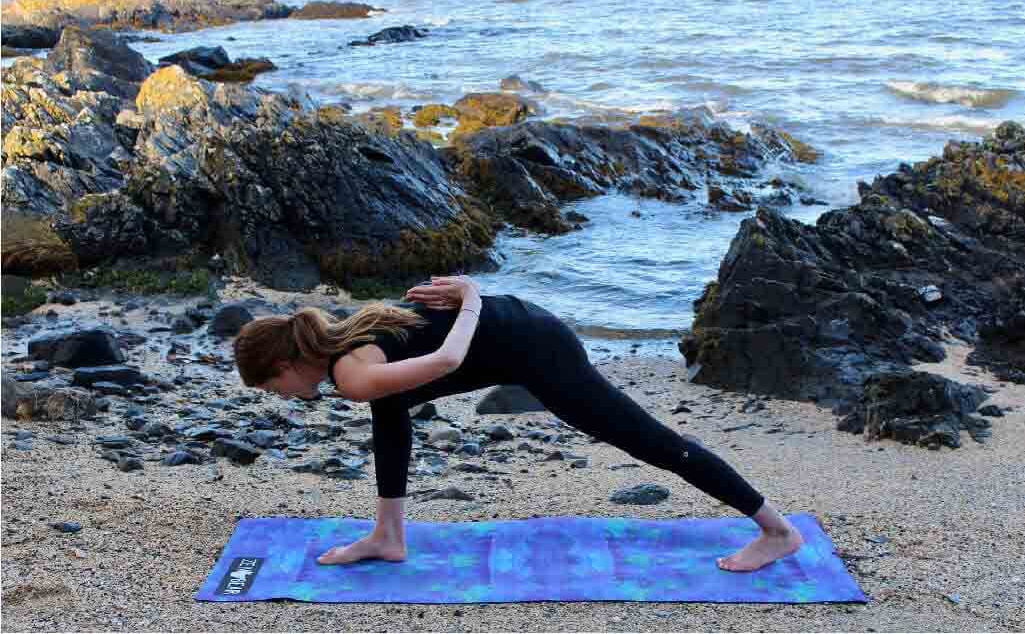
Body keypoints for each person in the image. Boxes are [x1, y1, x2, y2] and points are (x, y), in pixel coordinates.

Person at [232, 274, 804, 572]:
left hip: (539, 349)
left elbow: (449, 360)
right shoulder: (341, 338)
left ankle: (778, 531)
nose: (281, 396)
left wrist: (473, 297)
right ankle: (389, 535)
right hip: (522, 327)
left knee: (652, 443)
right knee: (390, 409)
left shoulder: (352, 371)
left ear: (283, 365)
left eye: (271, 387)